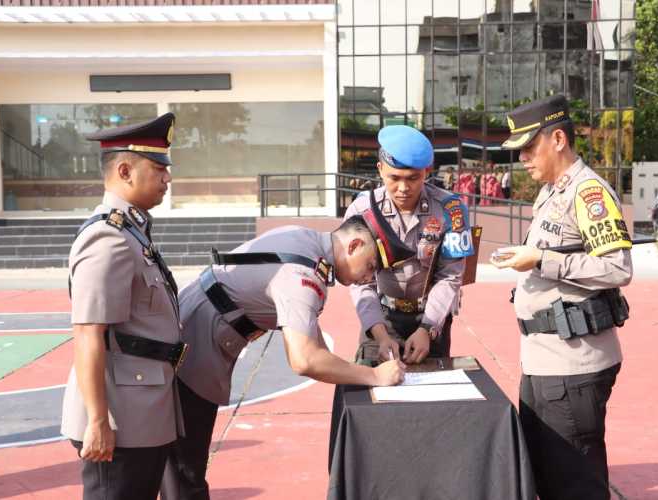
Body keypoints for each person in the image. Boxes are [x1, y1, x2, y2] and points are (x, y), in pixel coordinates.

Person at [159, 195, 407, 500]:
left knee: (179, 467)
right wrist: (375, 377)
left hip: (198, 328)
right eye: (370, 267)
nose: (368, 278)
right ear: (353, 245)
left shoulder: (306, 241)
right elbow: (305, 359)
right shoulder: (303, 276)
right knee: (185, 472)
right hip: (195, 346)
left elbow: (316, 347)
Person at [490, 95, 633, 500]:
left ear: (557, 139)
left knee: (574, 482)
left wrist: (541, 260)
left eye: (528, 148)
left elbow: (618, 269)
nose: (523, 160)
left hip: (573, 364)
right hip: (545, 359)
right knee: (547, 475)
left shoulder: (587, 193)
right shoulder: (553, 193)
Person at [61, 113, 184, 500]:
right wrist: (98, 421)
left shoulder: (132, 231)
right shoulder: (108, 238)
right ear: (126, 171)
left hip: (142, 410)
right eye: (158, 168)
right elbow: (87, 332)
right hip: (120, 419)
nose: (167, 178)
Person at [344, 125, 474, 366]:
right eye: (394, 178)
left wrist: (427, 328)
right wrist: (381, 335)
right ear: (380, 169)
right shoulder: (362, 212)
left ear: (426, 171)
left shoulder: (450, 210)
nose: (404, 188)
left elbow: (450, 277)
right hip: (381, 318)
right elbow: (361, 282)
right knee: (369, 393)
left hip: (431, 318)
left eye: (413, 178)